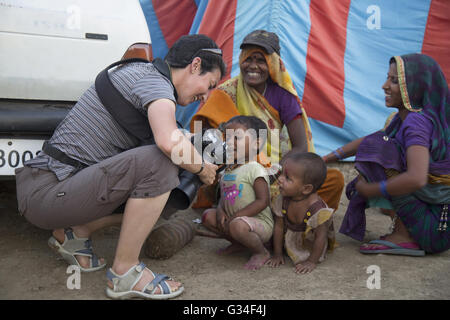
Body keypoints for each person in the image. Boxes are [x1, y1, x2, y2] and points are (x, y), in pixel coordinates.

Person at [14, 34, 226, 299]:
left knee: (169, 192)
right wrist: (202, 169)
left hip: (53, 188)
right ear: (195, 65)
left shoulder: (141, 73)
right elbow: (169, 143)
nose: (205, 97)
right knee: (161, 161)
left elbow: (178, 139)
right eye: (209, 85)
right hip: (47, 191)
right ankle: (125, 273)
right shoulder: (155, 83)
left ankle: (74, 234)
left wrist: (199, 153)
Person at [190, 29, 344, 212]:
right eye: (248, 59)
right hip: (238, 170)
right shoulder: (226, 93)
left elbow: (300, 146)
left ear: (272, 64)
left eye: (261, 60)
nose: (253, 66)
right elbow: (204, 136)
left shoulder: (284, 96)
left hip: (276, 171)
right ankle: (274, 213)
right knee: (241, 186)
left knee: (333, 180)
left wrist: (275, 171)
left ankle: (283, 216)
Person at [323, 53, 450, 256]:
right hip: (441, 224)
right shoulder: (409, 117)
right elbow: (370, 140)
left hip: (433, 229)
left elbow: (416, 178)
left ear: (415, 86)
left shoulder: (416, 122)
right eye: (388, 78)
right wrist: (327, 158)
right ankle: (403, 226)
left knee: (381, 150)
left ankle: (405, 236)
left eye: (394, 81)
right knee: (381, 143)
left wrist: (373, 189)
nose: (384, 85)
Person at [201, 115, 274, 270]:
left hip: (259, 223)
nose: (229, 143)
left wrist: (237, 216)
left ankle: (261, 252)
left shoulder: (255, 168)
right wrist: (220, 210)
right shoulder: (227, 170)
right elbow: (224, 196)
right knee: (208, 216)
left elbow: (263, 201)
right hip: (234, 220)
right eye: (226, 138)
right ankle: (239, 244)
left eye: (236, 138)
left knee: (237, 226)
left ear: (257, 143)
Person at [267, 151, 336, 273]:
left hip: (309, 245)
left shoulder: (317, 210)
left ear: (306, 189)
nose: (280, 179)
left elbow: (321, 237)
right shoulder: (282, 199)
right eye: (281, 174)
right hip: (290, 239)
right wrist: (277, 254)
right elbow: (279, 227)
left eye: (287, 178)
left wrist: (311, 261)